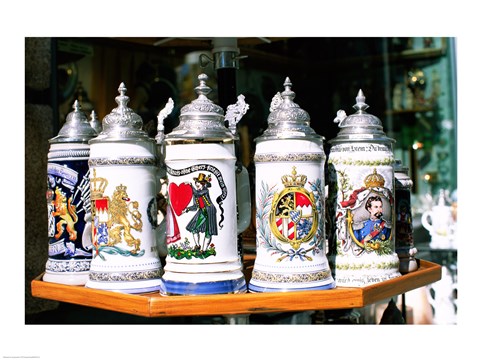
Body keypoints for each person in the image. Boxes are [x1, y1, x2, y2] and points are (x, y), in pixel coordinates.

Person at [182, 173, 218, 252]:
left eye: (198, 183)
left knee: (209, 231)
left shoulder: (205, 190)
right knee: (194, 228)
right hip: (201, 212)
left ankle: (204, 250)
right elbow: (195, 206)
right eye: (196, 183)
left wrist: (191, 186)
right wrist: (187, 209)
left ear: (203, 184)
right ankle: (197, 245)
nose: (196, 184)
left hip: (209, 211)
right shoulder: (196, 194)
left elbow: (198, 193)